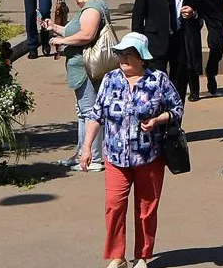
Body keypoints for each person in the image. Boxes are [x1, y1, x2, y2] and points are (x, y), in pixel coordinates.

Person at [89, 32, 182, 268]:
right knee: (114, 205)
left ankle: (142, 256)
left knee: (146, 209)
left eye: (129, 54)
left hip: (149, 157)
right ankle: (117, 256)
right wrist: (86, 147)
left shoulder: (158, 80)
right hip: (115, 157)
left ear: (142, 58)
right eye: (120, 53)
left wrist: (158, 120)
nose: (123, 59)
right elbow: (96, 114)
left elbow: (177, 109)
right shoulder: (110, 80)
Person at [46, 0, 113, 171]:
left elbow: (86, 35)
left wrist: (61, 41)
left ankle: (93, 158)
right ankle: (82, 154)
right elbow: (76, 30)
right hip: (82, 67)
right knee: (84, 112)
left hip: (86, 68)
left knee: (89, 112)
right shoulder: (93, 6)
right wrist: (55, 28)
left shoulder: (92, 8)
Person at [131, 0, 192, 89]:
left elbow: (199, 7)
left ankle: (176, 110)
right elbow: (138, 13)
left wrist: (193, 12)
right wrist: (137, 43)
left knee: (179, 82)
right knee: (155, 82)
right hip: (155, 41)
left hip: (180, 40)